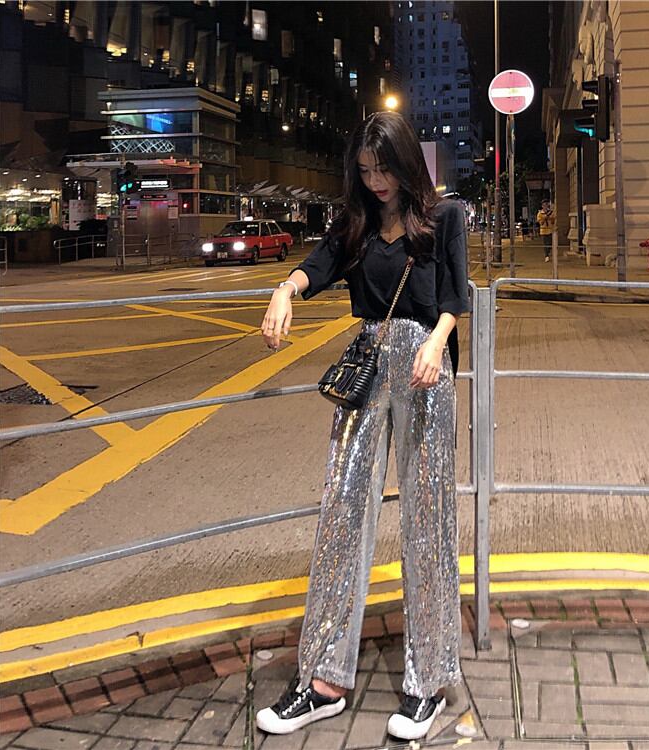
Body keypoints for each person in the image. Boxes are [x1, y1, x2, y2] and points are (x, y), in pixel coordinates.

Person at [257, 111, 470, 741]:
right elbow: (319, 263)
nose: (376, 181)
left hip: (426, 368)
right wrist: (285, 289)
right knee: (342, 511)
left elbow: (456, 295)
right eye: (366, 171)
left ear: (405, 164)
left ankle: (429, 681)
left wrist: (437, 340)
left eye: (384, 170)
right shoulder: (356, 223)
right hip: (369, 368)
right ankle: (323, 680)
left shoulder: (443, 217)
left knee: (428, 519)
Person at [537, 198, 556, 262]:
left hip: (550, 230)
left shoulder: (551, 212)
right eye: (544, 205)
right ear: (542, 206)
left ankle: (548, 252)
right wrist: (545, 217)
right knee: (545, 244)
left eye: (546, 204)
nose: (545, 206)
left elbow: (553, 221)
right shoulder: (540, 213)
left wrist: (551, 218)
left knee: (550, 243)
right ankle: (546, 255)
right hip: (543, 231)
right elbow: (540, 223)